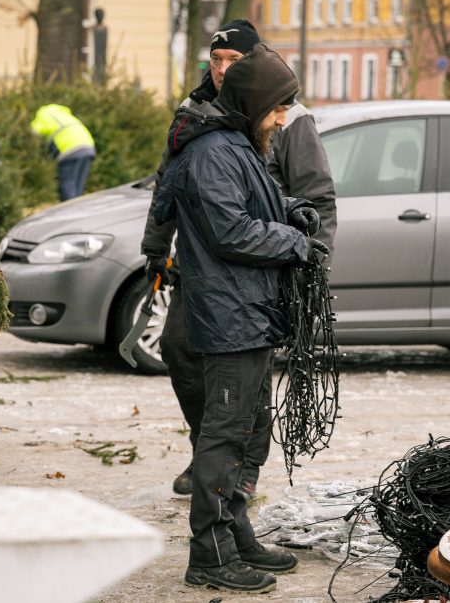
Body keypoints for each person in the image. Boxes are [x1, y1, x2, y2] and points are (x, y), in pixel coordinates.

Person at [153, 42, 328, 594]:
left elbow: (256, 202)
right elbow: (231, 232)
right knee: (224, 438)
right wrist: (294, 241)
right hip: (229, 314)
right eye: (278, 107)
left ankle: (237, 534)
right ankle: (208, 554)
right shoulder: (211, 153)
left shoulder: (236, 144)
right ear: (256, 102)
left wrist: (290, 210)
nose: (283, 118)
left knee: (251, 429)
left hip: (249, 310)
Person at [30, 104, 96, 201]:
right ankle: (79, 210)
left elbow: (33, 132)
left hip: (70, 149)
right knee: (77, 186)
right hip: (88, 146)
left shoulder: (43, 114)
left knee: (67, 185)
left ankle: (70, 212)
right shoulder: (64, 114)